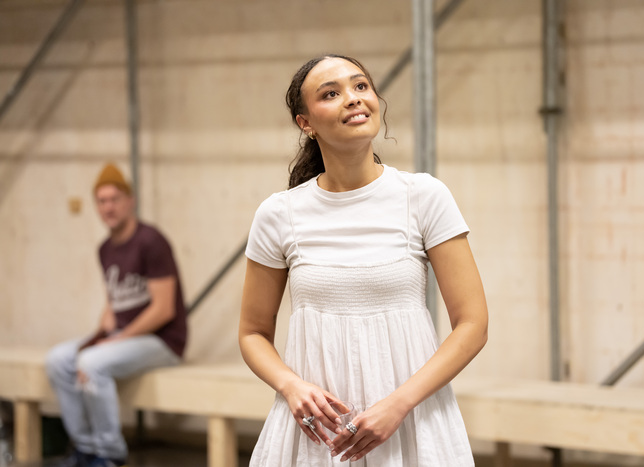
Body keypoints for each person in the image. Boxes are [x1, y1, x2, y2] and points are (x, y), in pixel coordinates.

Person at [239, 54, 488, 466]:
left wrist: (398, 405)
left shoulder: (423, 196)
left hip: (412, 424)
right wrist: (290, 386)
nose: (353, 99)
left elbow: (473, 324)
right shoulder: (278, 214)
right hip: (318, 433)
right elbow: (252, 333)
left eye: (361, 87)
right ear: (306, 123)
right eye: (331, 94)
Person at [45, 164, 188, 467]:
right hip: (124, 338)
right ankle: (86, 447)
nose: (108, 207)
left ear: (129, 200)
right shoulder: (105, 249)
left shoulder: (151, 241)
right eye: (101, 200)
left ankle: (109, 454)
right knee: (59, 360)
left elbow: (164, 309)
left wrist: (113, 341)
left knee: (91, 363)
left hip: (162, 342)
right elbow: (114, 302)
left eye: (114, 199)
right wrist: (100, 334)